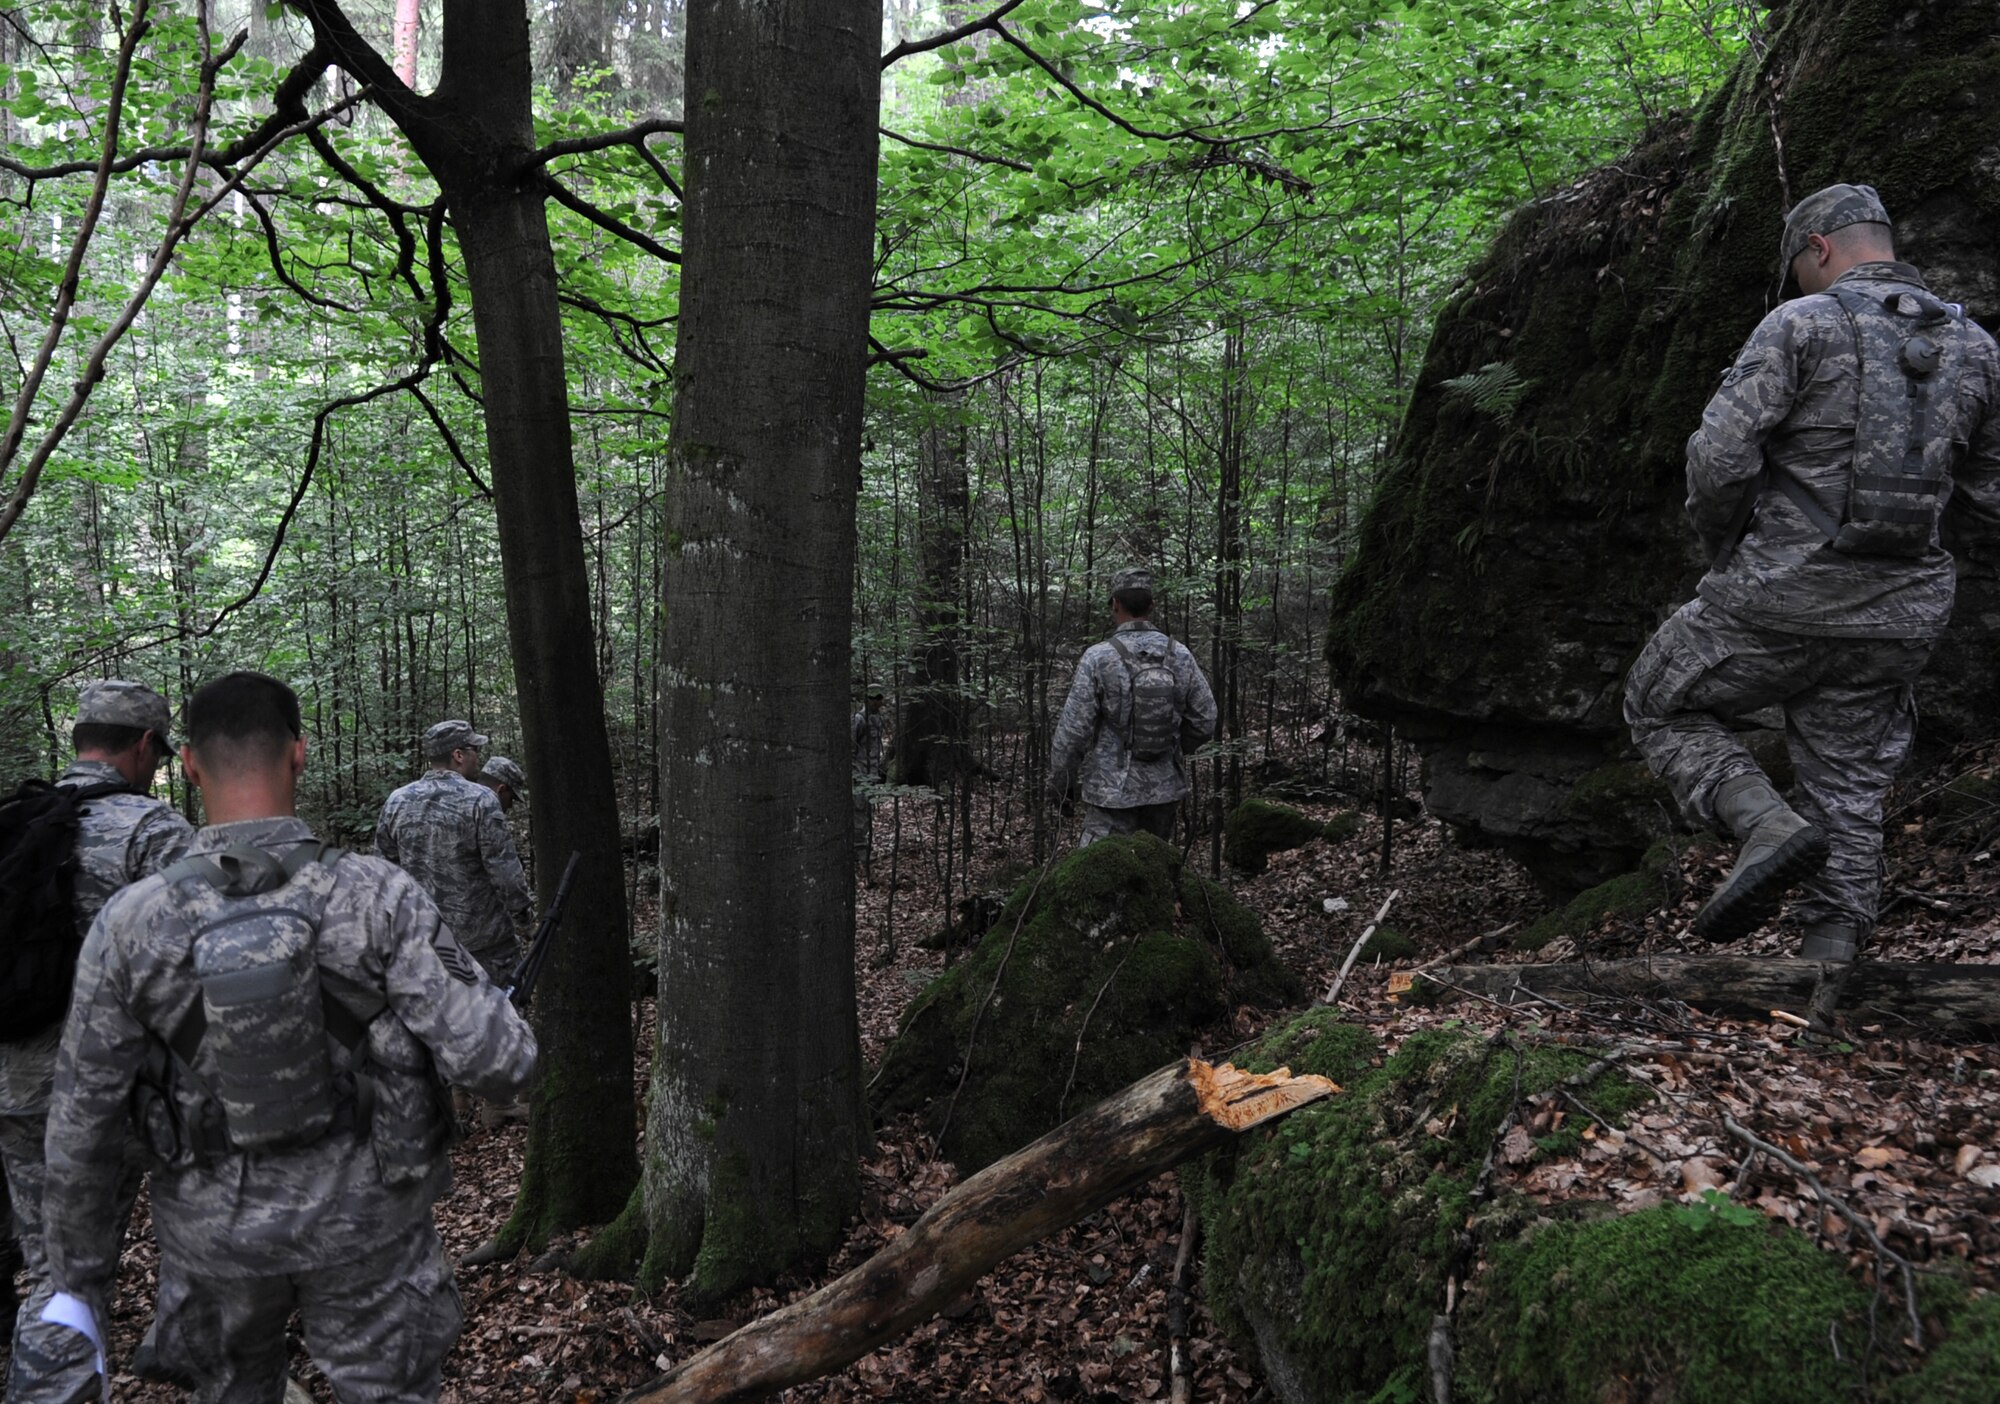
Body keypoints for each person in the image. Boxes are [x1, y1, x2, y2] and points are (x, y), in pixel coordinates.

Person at [41, 671, 537, 1403]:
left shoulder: (132, 922)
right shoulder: (375, 895)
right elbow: (499, 1062)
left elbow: (81, 1124)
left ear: (188, 765)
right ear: (299, 755)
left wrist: (76, 1284)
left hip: (213, 1240)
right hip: (368, 1228)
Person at [1625, 183, 2000, 963]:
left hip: (1777, 595)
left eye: (1797, 263)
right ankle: (1826, 971)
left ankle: (1761, 819)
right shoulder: (1978, 347)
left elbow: (1720, 458)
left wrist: (1727, 549)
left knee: (1658, 704)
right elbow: (1990, 498)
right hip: (1900, 616)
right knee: (1852, 788)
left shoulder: (1801, 323)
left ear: (1819, 248)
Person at [2, 680, 192, 1402]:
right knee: (192, 1220)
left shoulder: (19, 820)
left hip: (18, 1085)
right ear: (145, 747)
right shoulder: (152, 831)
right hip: (112, 1095)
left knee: (51, 1267)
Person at [1045, 567, 1217, 847]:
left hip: (1111, 792)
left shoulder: (1099, 657)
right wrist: (1169, 746)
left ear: (1115, 604)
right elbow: (1206, 719)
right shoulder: (1179, 654)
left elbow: (1072, 732)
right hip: (1164, 790)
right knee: (1154, 872)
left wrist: (1061, 786)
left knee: (1103, 876)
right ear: (1151, 605)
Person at [375, 721, 532, 986]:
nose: (478, 757)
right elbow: (504, 872)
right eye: (474, 749)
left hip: (423, 943)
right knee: (495, 1021)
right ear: (458, 755)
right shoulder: (482, 800)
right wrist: (524, 916)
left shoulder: (396, 801)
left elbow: (383, 873)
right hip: (483, 947)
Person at [851, 685, 886, 869]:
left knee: (868, 813)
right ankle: (859, 852)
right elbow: (851, 747)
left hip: (872, 775)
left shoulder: (878, 719)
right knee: (859, 813)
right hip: (860, 774)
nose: (879, 701)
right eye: (875, 698)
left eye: (880, 697)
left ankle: (866, 849)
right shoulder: (859, 719)